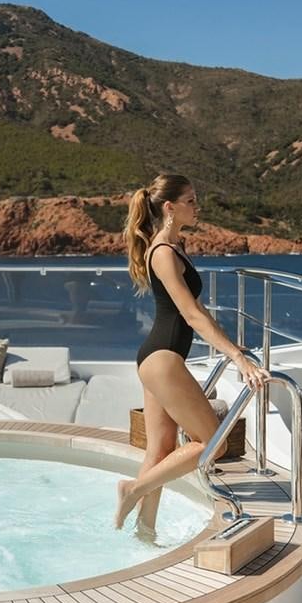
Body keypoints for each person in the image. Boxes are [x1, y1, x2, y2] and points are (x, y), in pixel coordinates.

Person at [115, 173, 271, 532]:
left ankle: (144, 531)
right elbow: (190, 314)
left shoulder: (174, 247)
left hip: (158, 358)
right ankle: (132, 490)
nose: (196, 207)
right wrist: (237, 358)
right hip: (163, 359)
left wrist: (231, 343)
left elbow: (198, 311)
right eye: (190, 200)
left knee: (160, 451)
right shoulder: (163, 253)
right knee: (211, 443)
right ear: (169, 207)